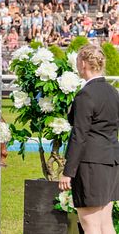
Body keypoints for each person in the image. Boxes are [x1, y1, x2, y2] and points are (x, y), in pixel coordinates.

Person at [60, 44, 119, 234]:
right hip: (111, 163)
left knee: (91, 225)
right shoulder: (113, 93)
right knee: (105, 223)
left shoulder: (85, 95)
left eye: (78, 61)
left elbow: (79, 135)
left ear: (83, 63)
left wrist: (68, 171)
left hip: (90, 166)